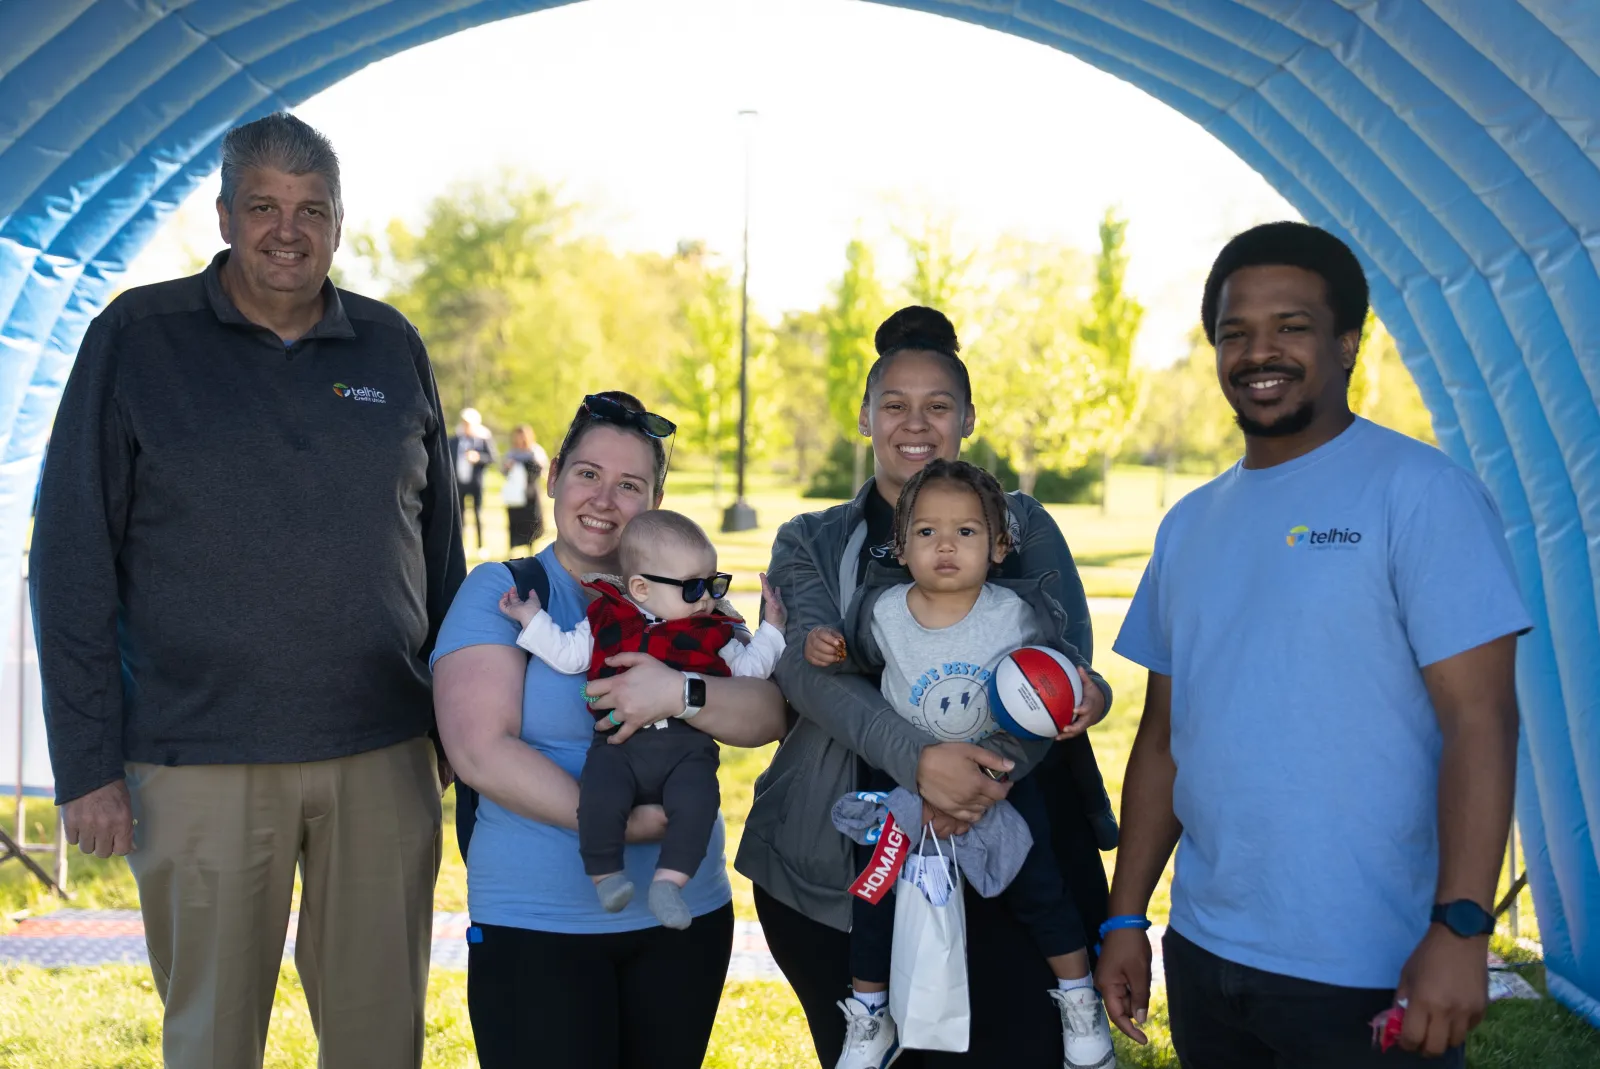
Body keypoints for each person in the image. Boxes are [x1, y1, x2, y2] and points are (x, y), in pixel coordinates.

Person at [30, 112, 464, 1069]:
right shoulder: (137, 339)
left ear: (340, 224)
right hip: (199, 759)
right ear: (224, 214)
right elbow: (68, 556)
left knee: (381, 1039)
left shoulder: (390, 345)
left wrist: (454, 723)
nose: (287, 229)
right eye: (263, 205)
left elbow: (440, 554)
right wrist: (88, 761)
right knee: (214, 1043)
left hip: (383, 755)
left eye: (312, 209)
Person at [1096, 222, 1530, 1068]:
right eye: (1235, 331)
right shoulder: (1188, 526)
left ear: (1346, 342)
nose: (1261, 352)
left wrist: (1463, 926)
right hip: (1206, 954)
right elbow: (1163, 739)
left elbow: (1483, 722)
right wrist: (1125, 915)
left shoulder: (1423, 494)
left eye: (1291, 326)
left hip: (1369, 966)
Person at [736, 306, 1116, 1067]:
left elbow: (1056, 673)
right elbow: (810, 676)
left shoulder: (1021, 524)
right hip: (843, 863)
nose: (917, 423)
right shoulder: (807, 539)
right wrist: (920, 766)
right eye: (895, 405)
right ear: (866, 418)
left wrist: (975, 781)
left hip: (1017, 839)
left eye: (938, 405)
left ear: (968, 418)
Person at [432, 390, 788, 1069]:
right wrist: (618, 824)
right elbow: (478, 750)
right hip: (537, 921)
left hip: (685, 918)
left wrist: (678, 691)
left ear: (656, 500)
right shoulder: (508, 591)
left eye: (630, 484)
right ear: (555, 474)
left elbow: (766, 713)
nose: (603, 498)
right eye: (589, 474)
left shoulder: (688, 597)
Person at [805, 459, 1116, 1069]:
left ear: (999, 545)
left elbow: (1065, 679)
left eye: (967, 532)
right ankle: (869, 1018)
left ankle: (1079, 1001)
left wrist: (1091, 694)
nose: (946, 545)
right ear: (901, 545)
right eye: (926, 532)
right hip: (902, 784)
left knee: (1041, 889)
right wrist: (827, 647)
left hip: (999, 780)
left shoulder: (1018, 613)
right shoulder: (882, 611)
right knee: (875, 898)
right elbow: (852, 663)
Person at [496, 508, 786, 928]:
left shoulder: (713, 631)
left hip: (688, 749)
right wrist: (530, 618)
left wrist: (772, 629)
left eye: (713, 583)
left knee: (698, 803)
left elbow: (749, 670)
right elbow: (567, 654)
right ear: (640, 587)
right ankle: (606, 877)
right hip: (617, 745)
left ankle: (669, 882)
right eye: (693, 588)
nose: (706, 597)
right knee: (598, 799)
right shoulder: (603, 620)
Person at [453, 407, 496, 551]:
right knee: (459, 516)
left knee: (477, 514)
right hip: (458, 484)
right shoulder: (454, 440)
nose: (466, 426)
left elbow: (492, 458)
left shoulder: (483, 440)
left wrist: (478, 458)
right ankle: (460, 546)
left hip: (476, 483)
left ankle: (480, 546)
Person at [502, 423, 547, 553]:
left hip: (530, 492)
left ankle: (531, 548)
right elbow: (504, 471)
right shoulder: (511, 453)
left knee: (531, 521)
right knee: (514, 521)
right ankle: (512, 548)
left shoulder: (535, 451)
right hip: (516, 493)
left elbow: (541, 470)